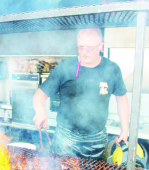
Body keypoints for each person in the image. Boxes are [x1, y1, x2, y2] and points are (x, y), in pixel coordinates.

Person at [33, 28, 129, 161]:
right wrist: (39, 112)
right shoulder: (66, 68)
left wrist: (125, 129)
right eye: (80, 47)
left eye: (89, 48)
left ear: (101, 46)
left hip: (97, 139)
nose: (84, 52)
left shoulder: (112, 69)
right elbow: (39, 95)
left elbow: (122, 99)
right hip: (66, 140)